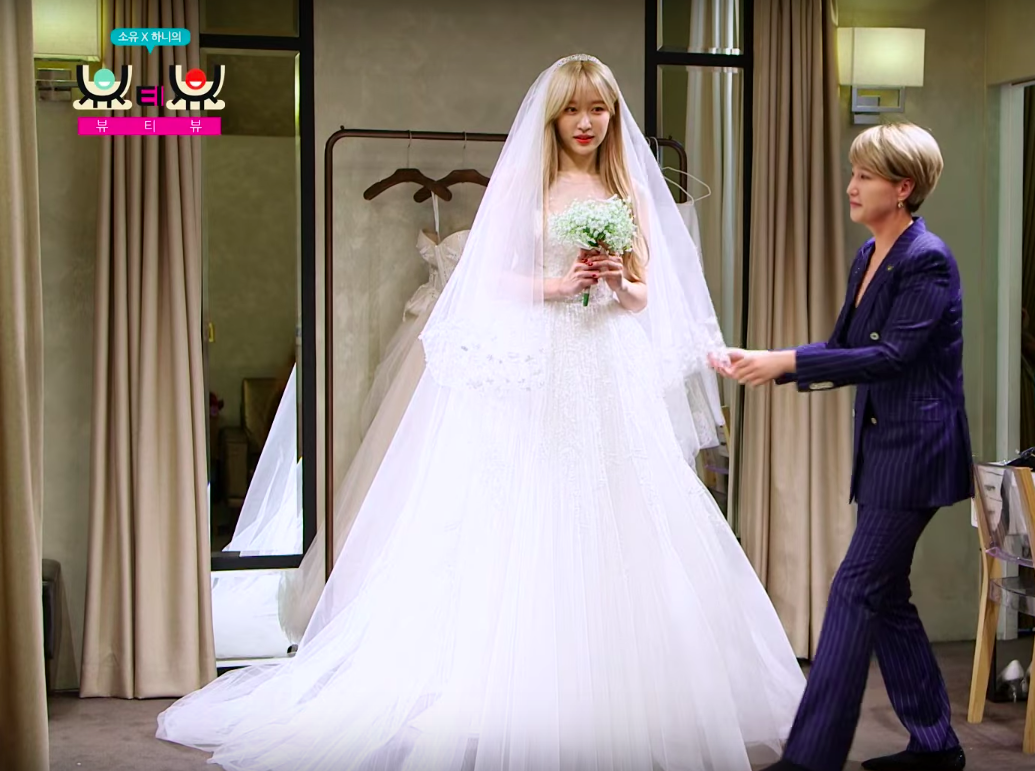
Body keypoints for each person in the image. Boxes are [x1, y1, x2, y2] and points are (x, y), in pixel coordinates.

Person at [156, 54, 805, 771]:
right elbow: (487, 278)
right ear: (553, 116)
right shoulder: (532, 185)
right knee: (530, 505)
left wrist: (618, 282)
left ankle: (619, 688)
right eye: (573, 109)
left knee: (627, 505)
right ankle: (525, 684)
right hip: (545, 362)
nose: (586, 122)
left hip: (610, 364)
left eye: (598, 109)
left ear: (612, 116)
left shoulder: (629, 191)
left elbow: (646, 293)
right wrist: (558, 285)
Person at [713, 122, 972, 771]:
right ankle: (936, 745)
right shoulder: (869, 256)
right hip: (882, 452)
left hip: (917, 453)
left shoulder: (927, 258)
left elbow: (892, 356)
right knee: (886, 596)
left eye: (865, 176)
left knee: (855, 589)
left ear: (902, 187)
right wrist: (772, 359)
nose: (850, 186)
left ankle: (810, 757)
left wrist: (786, 362)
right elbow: (844, 346)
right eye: (853, 173)